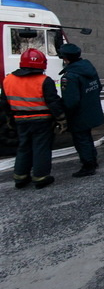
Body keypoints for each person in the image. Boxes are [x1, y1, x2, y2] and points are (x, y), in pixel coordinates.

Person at [0, 49, 66, 189]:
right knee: (41, 148)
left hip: (20, 120)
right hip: (42, 120)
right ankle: (41, 177)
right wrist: (61, 119)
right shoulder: (44, 81)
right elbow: (53, 102)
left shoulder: (8, 80)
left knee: (23, 147)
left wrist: (10, 119)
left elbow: (4, 103)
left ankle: (20, 177)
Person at [59, 43, 104, 178]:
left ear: (66, 59)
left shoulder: (70, 76)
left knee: (81, 140)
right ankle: (93, 160)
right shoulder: (89, 69)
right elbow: (98, 87)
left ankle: (88, 166)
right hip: (91, 110)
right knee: (87, 137)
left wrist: (63, 115)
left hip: (79, 114)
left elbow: (71, 101)